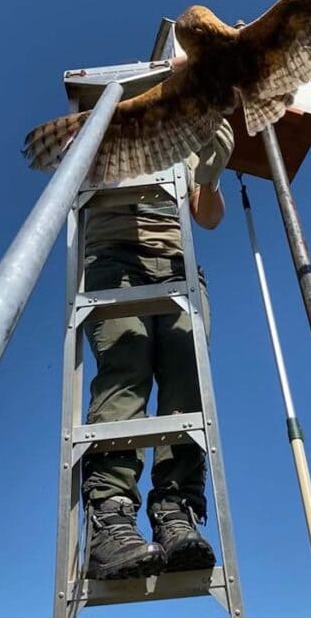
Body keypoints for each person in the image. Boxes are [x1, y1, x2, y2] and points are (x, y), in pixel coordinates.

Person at [82, 119, 234, 580]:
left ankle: (176, 510)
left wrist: (208, 175)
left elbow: (207, 216)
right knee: (126, 367)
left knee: (189, 379)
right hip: (113, 256)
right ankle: (109, 516)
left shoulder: (192, 135)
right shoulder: (115, 120)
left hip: (177, 263)